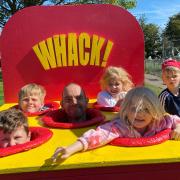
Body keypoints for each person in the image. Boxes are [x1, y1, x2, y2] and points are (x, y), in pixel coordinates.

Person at [52, 87, 180, 161]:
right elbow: (97, 136)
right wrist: (71, 149)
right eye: (134, 109)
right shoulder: (120, 126)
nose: (139, 114)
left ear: (154, 111)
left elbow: (175, 119)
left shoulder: (158, 122)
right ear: (125, 110)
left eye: (146, 109)